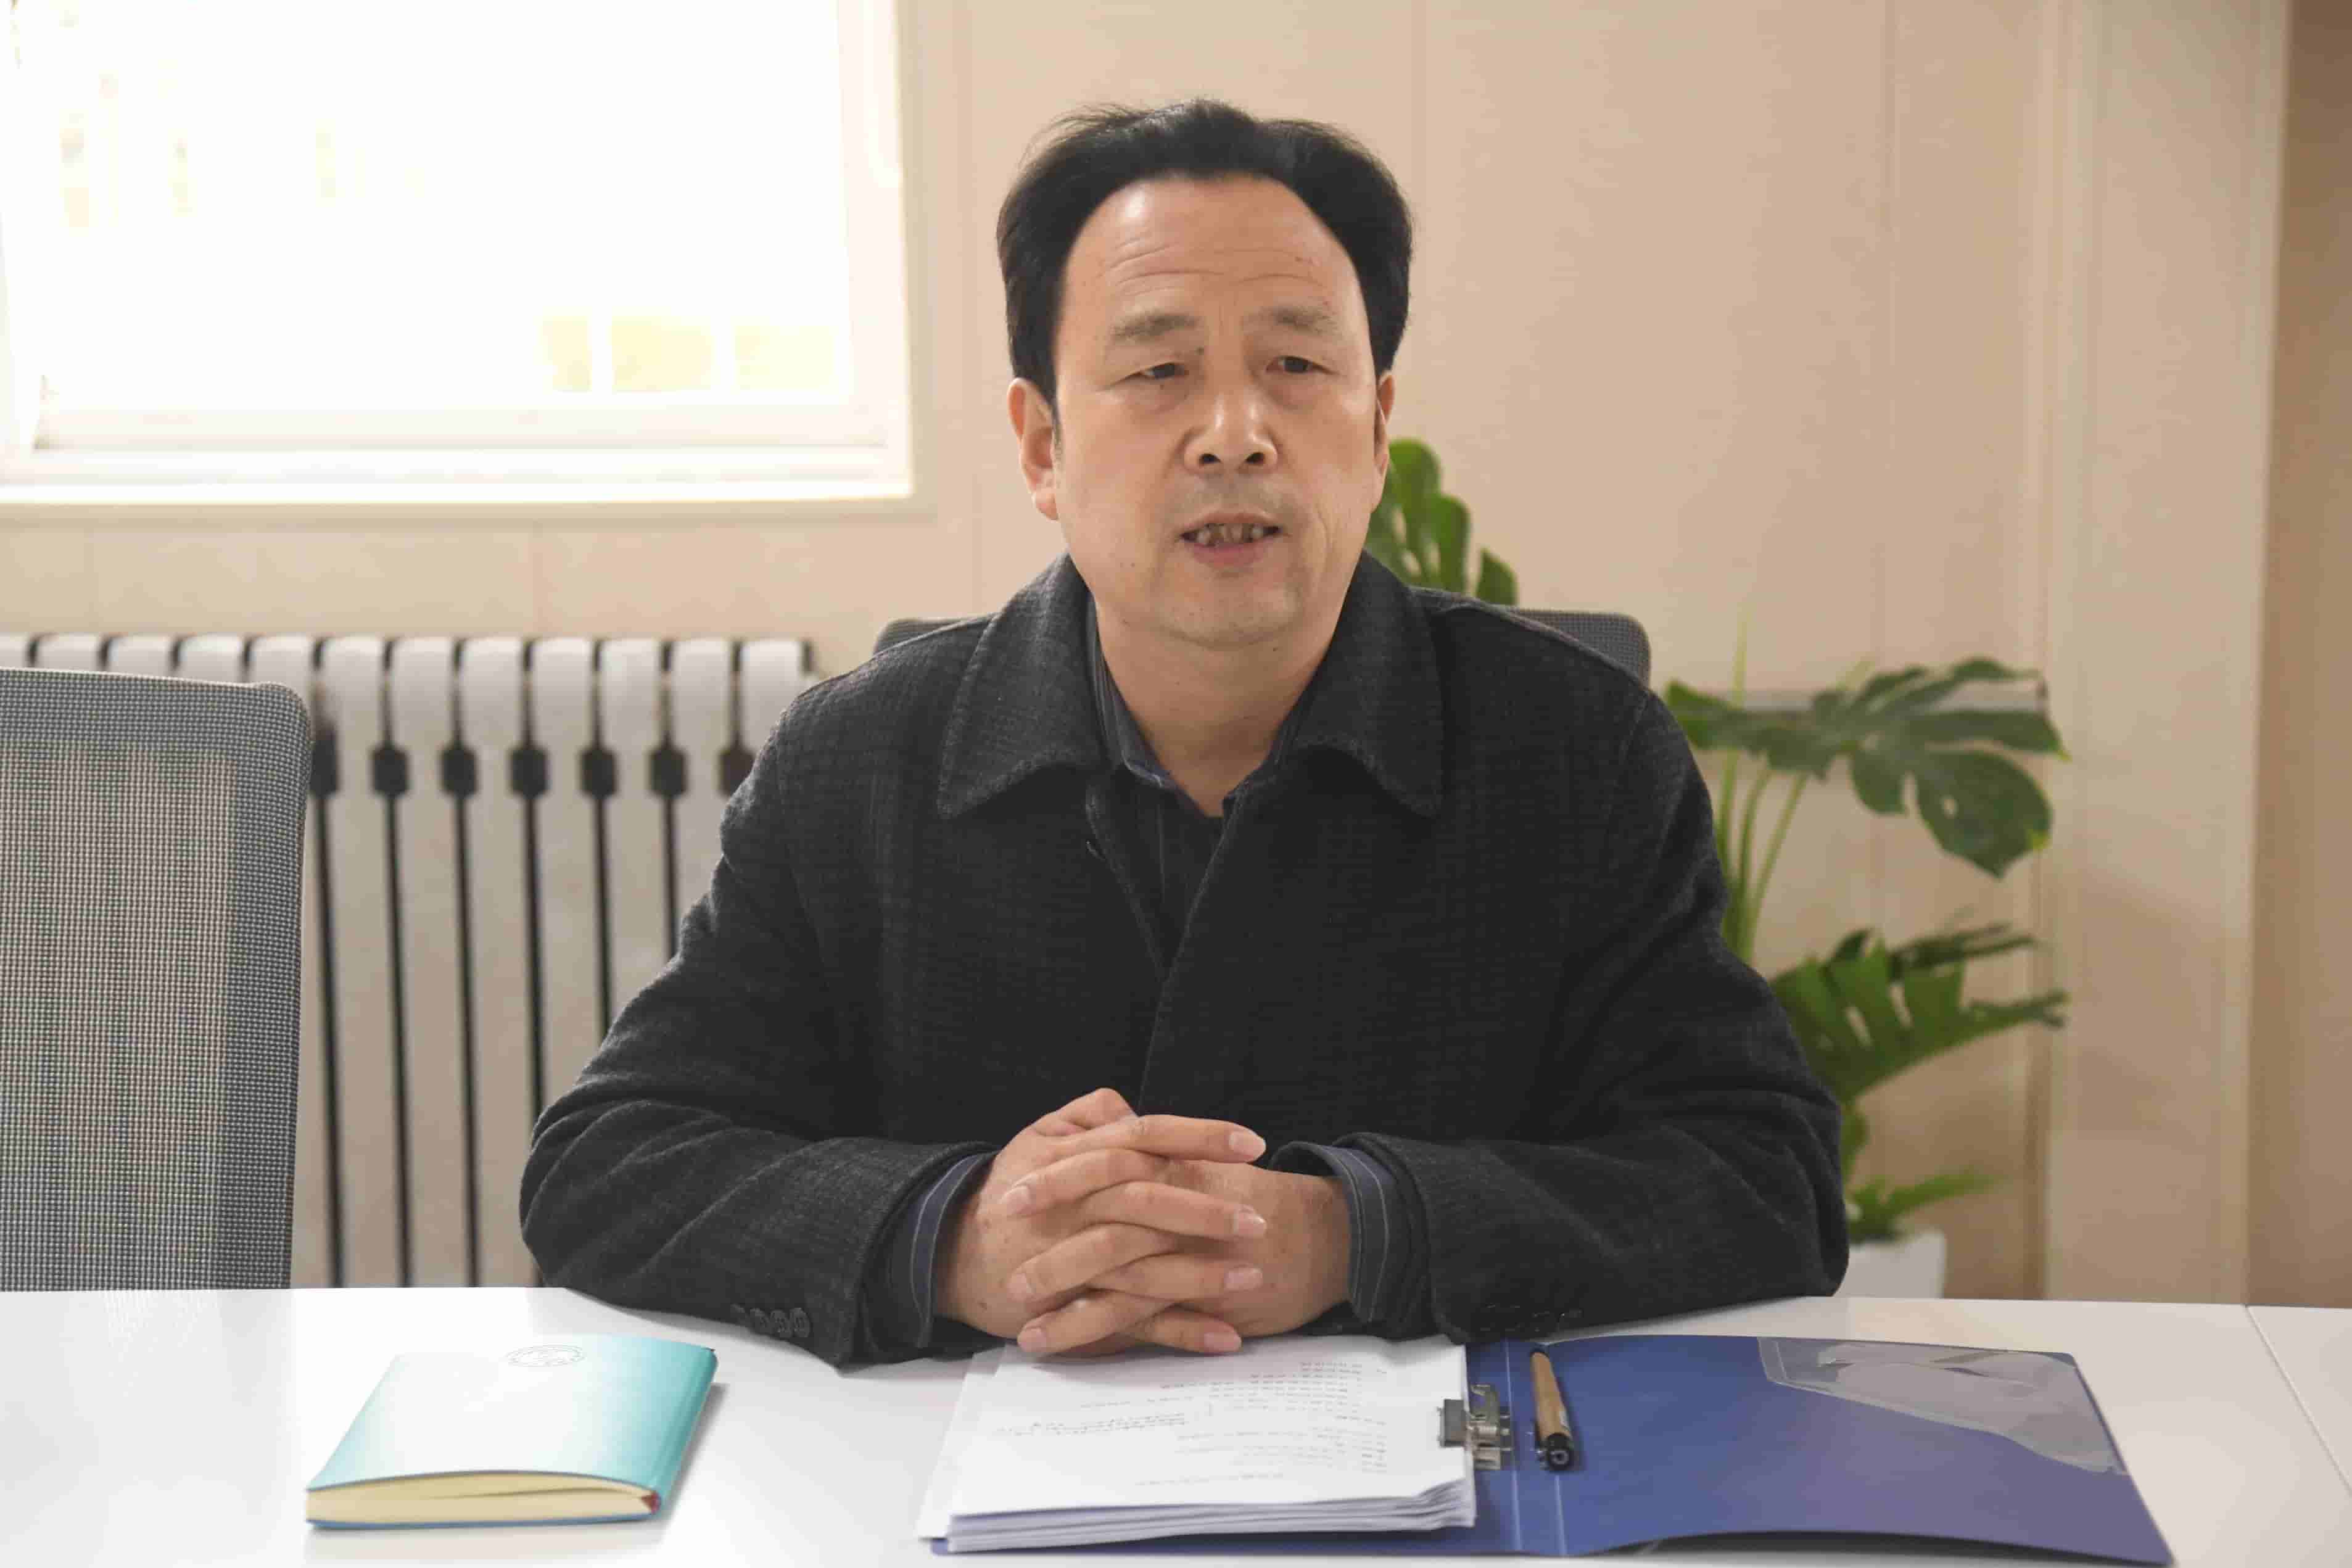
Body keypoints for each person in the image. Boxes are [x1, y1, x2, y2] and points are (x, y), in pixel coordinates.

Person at [521, 99, 1846, 1371]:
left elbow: (1757, 1174)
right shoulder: (857, 761)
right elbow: (612, 1160)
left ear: (1378, 429)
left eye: (1295, 367)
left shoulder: (1573, 749)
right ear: (1041, 445)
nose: (1233, 435)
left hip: (1440, 1481)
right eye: (1157, 371)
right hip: (949, 1479)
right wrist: (956, 1238)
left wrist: (1354, 1230)